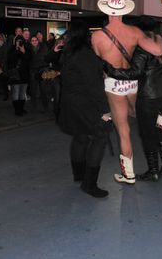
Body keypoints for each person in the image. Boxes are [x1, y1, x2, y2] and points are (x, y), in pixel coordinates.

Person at [92, 0, 162, 184]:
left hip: (113, 85)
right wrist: (158, 37)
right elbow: (157, 50)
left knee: (123, 130)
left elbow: (99, 66)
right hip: (132, 82)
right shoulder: (135, 32)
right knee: (137, 113)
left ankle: (128, 174)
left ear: (108, 11)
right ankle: (159, 119)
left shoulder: (97, 36)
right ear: (123, 11)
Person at [104, 20, 162, 181]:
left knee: (147, 133)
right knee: (159, 127)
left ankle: (153, 170)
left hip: (149, 96)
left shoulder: (142, 48)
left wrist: (111, 70)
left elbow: (134, 73)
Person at [58, 21, 111, 198]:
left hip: (70, 104)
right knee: (100, 138)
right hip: (86, 105)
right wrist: (105, 110)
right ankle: (89, 184)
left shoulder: (68, 53)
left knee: (80, 137)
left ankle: (79, 175)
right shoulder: (85, 55)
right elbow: (94, 86)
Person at [7, 36, 31, 116]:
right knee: (16, 93)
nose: (19, 42)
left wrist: (24, 52)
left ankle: (21, 108)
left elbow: (29, 60)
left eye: (21, 41)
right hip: (15, 75)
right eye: (18, 41)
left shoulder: (26, 49)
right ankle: (17, 110)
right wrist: (17, 50)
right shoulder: (12, 49)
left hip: (24, 75)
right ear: (15, 42)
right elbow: (10, 60)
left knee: (22, 93)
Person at [29, 36, 49, 112]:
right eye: (32, 40)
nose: (34, 42)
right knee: (33, 90)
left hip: (42, 69)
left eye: (35, 40)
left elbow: (44, 58)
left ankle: (46, 106)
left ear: (38, 41)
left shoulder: (43, 47)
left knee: (43, 89)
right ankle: (34, 107)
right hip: (33, 70)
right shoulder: (29, 49)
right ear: (31, 42)